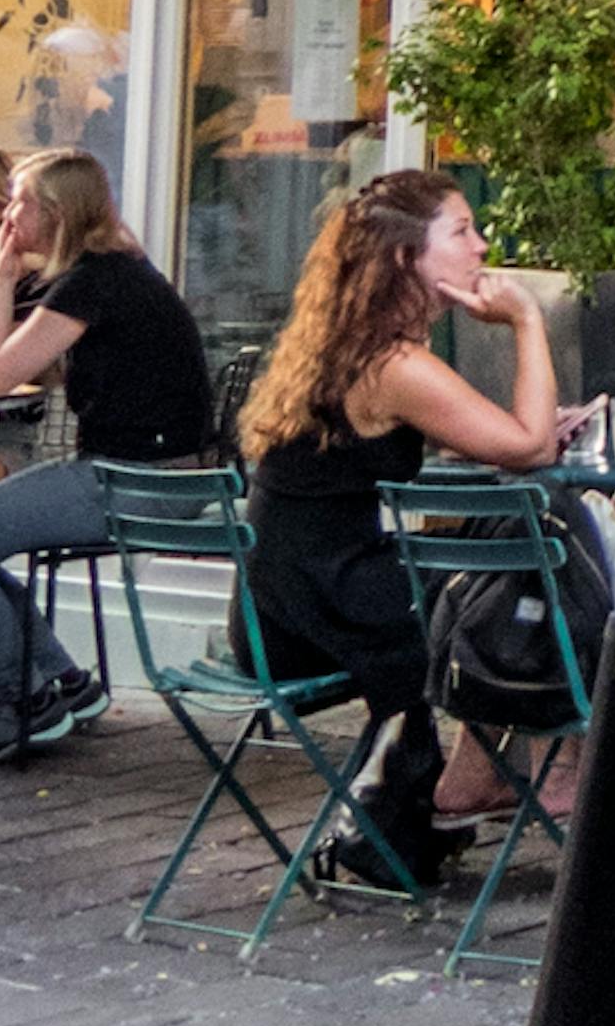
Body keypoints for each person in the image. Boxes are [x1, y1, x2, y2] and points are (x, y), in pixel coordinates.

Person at [236, 172, 567, 888]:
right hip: (329, 602)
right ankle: (499, 770)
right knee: (519, 579)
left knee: (500, 558)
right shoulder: (393, 362)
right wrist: (528, 320)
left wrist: (496, 435)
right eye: (461, 230)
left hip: (279, 599)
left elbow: (489, 437)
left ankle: (454, 785)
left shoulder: (350, 343)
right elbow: (532, 447)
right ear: (403, 259)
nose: (481, 245)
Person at [0, 152, 212, 757]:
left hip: (138, 480)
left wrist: (2, 275)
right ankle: (61, 682)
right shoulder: (114, 269)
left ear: (56, 214)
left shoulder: (91, 282)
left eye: (22, 200)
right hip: (165, 474)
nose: (9, 211)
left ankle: (25, 701)